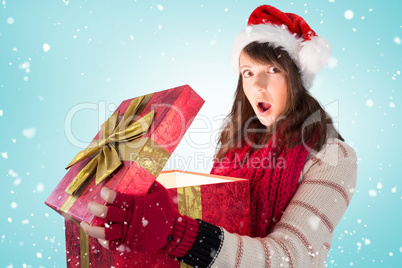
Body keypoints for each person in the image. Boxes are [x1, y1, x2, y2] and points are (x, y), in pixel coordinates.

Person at [80, 5, 357, 268]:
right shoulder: (235, 148)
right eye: (248, 73)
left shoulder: (333, 156)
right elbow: (217, 220)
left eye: (273, 70)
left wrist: (175, 233)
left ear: (297, 79)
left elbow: (290, 258)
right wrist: (153, 210)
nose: (258, 86)